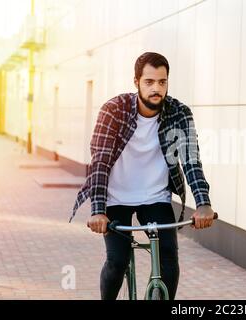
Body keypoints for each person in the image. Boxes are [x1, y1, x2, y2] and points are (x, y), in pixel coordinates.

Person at [69, 52, 215, 300]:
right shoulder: (114, 110)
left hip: (155, 196)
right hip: (116, 197)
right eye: (149, 82)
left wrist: (203, 204)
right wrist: (97, 210)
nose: (156, 89)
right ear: (136, 81)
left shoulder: (179, 113)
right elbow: (100, 162)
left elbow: (191, 161)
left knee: (169, 259)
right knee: (117, 260)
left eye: (162, 82)